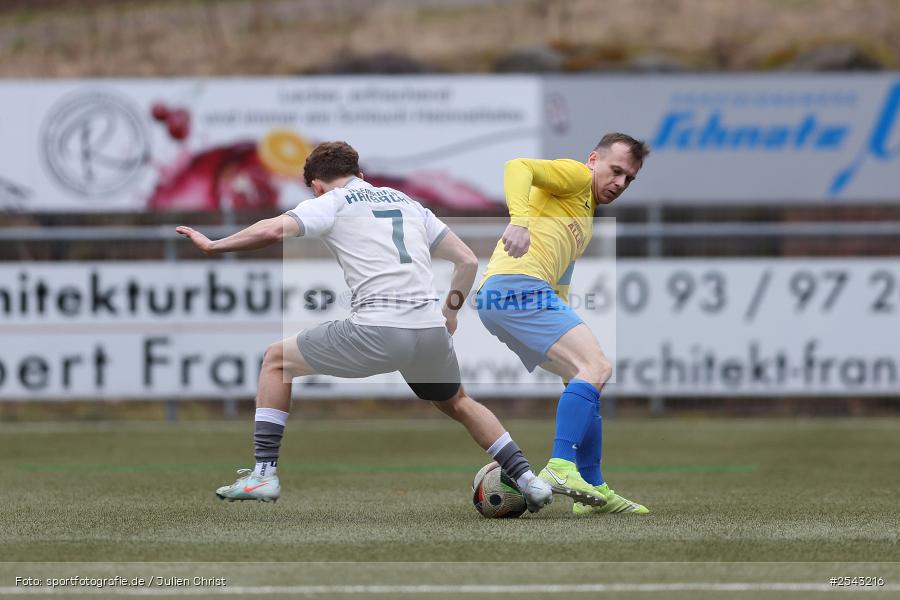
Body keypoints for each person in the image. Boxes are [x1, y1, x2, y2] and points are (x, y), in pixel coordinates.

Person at [176, 141, 553, 512]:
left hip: (379, 330)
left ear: (317, 185)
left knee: (277, 360)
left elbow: (273, 230)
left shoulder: (332, 201)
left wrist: (214, 246)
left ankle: (262, 473)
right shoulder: (407, 202)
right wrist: (450, 311)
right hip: (430, 332)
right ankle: (528, 480)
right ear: (361, 174)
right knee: (458, 401)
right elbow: (468, 261)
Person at [476, 133, 650, 515]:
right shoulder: (574, 176)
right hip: (515, 288)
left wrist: (569, 346)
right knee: (598, 367)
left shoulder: (584, 218)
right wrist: (519, 222)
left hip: (516, 296)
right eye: (615, 170)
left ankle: (593, 489)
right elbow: (517, 167)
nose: (619, 183)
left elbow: (562, 282)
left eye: (629, 179)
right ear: (593, 160)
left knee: (584, 380)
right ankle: (560, 467)